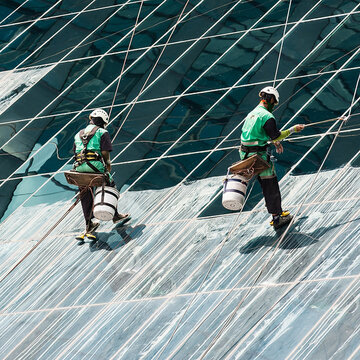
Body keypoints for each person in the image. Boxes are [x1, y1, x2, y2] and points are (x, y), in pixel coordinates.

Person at [240, 86, 304, 229]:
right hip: (258, 157)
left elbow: (256, 133)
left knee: (265, 184)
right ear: (272, 100)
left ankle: (276, 213)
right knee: (270, 185)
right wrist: (293, 129)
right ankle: (277, 217)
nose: (274, 107)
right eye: (274, 104)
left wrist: (273, 142)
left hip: (245, 154)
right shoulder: (268, 117)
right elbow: (275, 134)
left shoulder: (253, 113)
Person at [73, 108, 130, 238]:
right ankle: (115, 216)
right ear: (104, 122)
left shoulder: (78, 134)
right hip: (95, 167)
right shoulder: (103, 132)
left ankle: (89, 224)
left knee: (85, 193)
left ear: (91, 119)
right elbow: (106, 157)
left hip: (79, 168)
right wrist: (107, 169)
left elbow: (75, 153)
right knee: (110, 185)